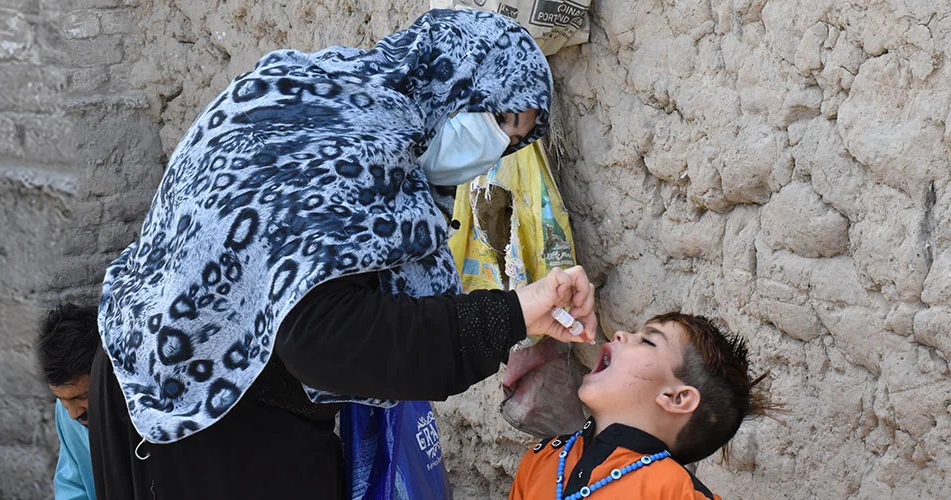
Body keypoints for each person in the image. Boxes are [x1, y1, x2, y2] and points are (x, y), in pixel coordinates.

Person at [90, 8, 593, 499]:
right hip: (209, 414)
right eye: (501, 119)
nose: (495, 145)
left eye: (513, 140)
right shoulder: (359, 150)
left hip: (138, 368)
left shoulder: (312, 88)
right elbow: (324, 339)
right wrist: (514, 315)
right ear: (452, 77)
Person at [508, 313, 776, 500]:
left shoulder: (675, 492)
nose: (621, 334)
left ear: (676, 398)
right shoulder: (541, 459)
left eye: (648, 341)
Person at [36, 303, 100, 500]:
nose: (72, 414)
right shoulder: (66, 412)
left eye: (82, 397)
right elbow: (71, 485)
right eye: (62, 400)